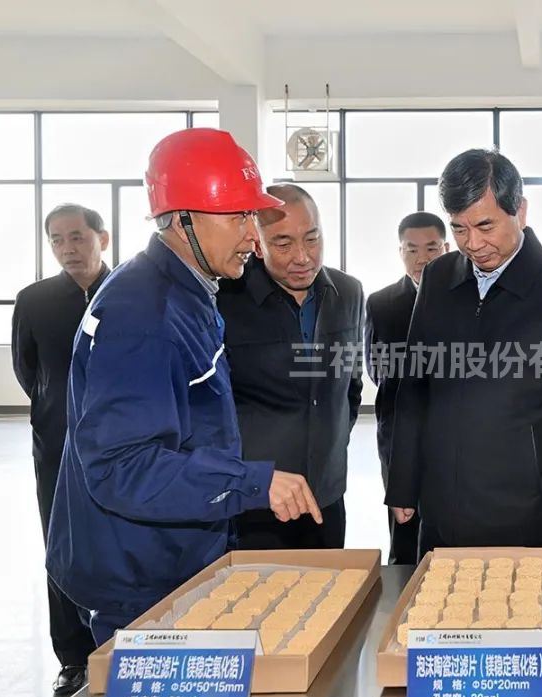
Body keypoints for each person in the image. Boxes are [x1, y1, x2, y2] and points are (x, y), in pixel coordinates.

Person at [45, 128, 320, 645]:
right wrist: (250, 481)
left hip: (174, 549)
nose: (253, 236)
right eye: (238, 217)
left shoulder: (187, 291)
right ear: (183, 219)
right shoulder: (144, 314)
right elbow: (122, 466)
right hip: (140, 570)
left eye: (252, 217)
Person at [386, 149, 542, 558]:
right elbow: (414, 387)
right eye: (459, 228)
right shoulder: (438, 278)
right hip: (442, 505)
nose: (473, 244)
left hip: (524, 513)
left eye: (485, 225)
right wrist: (403, 482)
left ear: (519, 210)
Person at [219, 184, 363, 549]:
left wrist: (329, 446)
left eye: (312, 239)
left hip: (326, 495)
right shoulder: (225, 300)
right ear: (257, 244)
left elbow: (351, 383)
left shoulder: (348, 292)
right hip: (255, 500)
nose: (303, 257)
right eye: (283, 244)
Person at [11, 204, 109, 694]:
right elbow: (28, 371)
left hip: (121, 446)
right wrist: (56, 411)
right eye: (56, 239)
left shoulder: (129, 293)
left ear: (102, 239)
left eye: (77, 236)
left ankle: (124, 640)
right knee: (61, 548)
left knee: (121, 543)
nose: (67, 248)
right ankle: (73, 655)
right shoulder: (34, 301)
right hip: (56, 446)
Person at [364, 212, 449, 563]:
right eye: (412, 249)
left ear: (446, 248)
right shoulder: (381, 303)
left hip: (453, 434)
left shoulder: (467, 299)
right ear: (400, 252)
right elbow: (375, 369)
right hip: (398, 432)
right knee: (404, 527)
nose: (422, 258)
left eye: (432, 248)